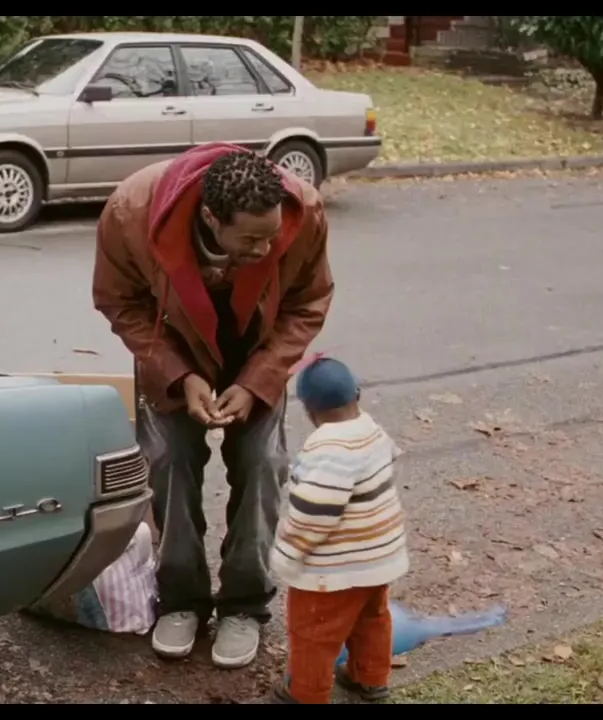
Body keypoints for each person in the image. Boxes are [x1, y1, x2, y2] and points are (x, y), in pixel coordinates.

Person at [92, 143, 334, 669]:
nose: (265, 249)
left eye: (271, 236)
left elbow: (307, 302)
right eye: (250, 240)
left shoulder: (303, 211)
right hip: (172, 352)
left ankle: (245, 605)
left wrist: (257, 380)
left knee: (263, 464)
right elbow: (118, 301)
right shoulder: (130, 211)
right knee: (167, 463)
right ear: (209, 217)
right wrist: (178, 375)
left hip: (258, 351)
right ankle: (180, 599)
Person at [267, 356, 409, 704]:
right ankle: (370, 679)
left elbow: (314, 515)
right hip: (378, 559)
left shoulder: (327, 450)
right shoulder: (372, 430)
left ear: (309, 410)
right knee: (372, 620)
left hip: (332, 572)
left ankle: (305, 693)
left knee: (314, 633)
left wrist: (287, 554)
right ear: (356, 394)